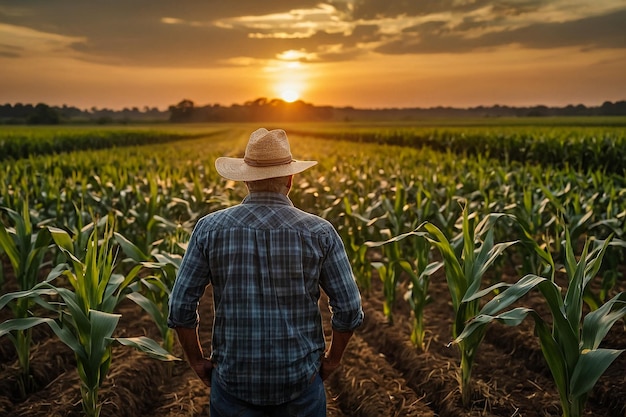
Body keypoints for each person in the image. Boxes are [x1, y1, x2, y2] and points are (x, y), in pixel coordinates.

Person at [167, 128, 364, 416]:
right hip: (300, 384)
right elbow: (348, 308)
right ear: (290, 178)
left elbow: (180, 306)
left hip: (233, 384)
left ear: (246, 179)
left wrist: (197, 362)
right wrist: (332, 361)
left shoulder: (210, 229)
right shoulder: (320, 232)